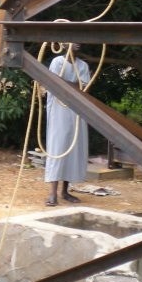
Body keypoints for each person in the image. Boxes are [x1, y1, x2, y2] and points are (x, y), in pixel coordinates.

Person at [44, 42, 91, 207]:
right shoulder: (57, 62)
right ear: (65, 45)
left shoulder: (83, 65)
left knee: (73, 147)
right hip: (59, 110)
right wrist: (73, 86)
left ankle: (65, 191)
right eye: (73, 41)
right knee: (58, 147)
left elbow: (84, 88)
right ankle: (52, 193)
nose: (77, 44)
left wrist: (67, 85)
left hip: (76, 111)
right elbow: (55, 84)